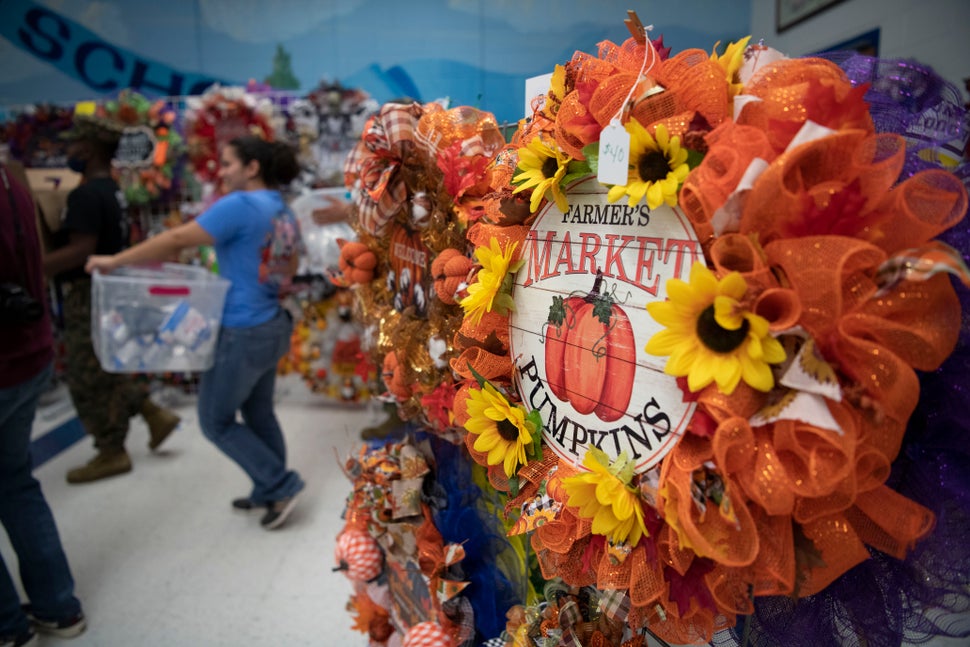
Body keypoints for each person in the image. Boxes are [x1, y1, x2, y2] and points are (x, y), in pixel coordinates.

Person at [86, 135, 306, 530]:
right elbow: (285, 268)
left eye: (227, 164)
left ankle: (280, 483)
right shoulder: (281, 210)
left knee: (214, 420)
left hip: (242, 328)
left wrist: (115, 261)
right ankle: (268, 491)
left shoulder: (241, 205)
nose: (220, 173)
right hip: (272, 322)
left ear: (251, 168)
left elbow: (177, 238)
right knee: (258, 412)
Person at [41, 115, 180, 484]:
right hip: (108, 288)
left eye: (73, 145)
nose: (68, 151)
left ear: (86, 149)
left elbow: (80, 250)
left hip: (88, 293)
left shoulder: (85, 195)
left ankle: (111, 450)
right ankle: (152, 412)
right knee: (106, 365)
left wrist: (34, 268)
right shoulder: (111, 190)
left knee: (86, 376)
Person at [1, 163, 86, 646]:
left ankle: (8, 626)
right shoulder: (12, 176)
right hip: (30, 352)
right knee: (16, 481)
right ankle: (59, 606)